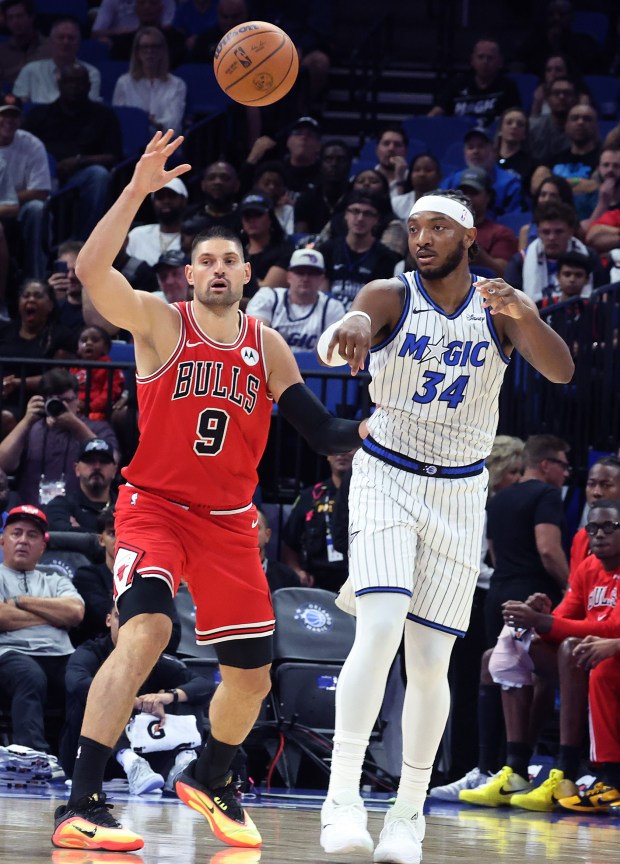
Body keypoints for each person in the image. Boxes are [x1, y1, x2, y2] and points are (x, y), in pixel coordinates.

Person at [50, 130, 364, 853]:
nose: (218, 269)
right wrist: (135, 189)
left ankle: (215, 778)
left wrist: (380, 427)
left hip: (227, 526)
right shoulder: (162, 325)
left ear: (250, 273)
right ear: (188, 275)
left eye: (230, 259)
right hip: (154, 509)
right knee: (149, 630)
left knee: (250, 680)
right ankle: (82, 802)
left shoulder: (267, 344)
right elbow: (94, 272)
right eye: (205, 261)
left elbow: (321, 432)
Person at [316, 188, 573, 863]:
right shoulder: (391, 292)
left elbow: (562, 369)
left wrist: (527, 313)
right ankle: (341, 797)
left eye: (437, 228)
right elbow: (356, 321)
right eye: (414, 228)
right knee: (379, 623)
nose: (422, 238)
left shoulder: (498, 306)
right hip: (385, 478)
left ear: (466, 237)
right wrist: (347, 329)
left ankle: (408, 815)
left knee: (431, 661)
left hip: (460, 494)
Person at [462, 499, 620, 811]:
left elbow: (613, 625)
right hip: (593, 652)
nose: (599, 534)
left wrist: (546, 623)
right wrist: (542, 616)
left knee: (574, 649)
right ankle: (513, 769)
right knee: (504, 653)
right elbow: (565, 615)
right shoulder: (588, 568)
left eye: (609, 528)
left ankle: (571, 772)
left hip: (610, 653)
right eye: (592, 528)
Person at [61, 602, 210, 794]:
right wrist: (135, 702)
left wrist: (166, 697)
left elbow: (204, 683)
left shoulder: (153, 657)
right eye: (120, 617)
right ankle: (130, 762)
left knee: (185, 697)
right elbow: (76, 682)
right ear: (108, 620)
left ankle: (182, 765)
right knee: (98, 697)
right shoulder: (89, 652)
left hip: (146, 750)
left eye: (132, 620)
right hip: (89, 755)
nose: (125, 626)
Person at [0, 504, 84, 750]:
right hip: (9, 653)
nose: (23, 540)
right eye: (16, 533)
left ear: (42, 547)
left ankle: (78, 760)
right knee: (29, 675)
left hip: (60, 653)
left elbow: (75, 613)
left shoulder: (56, 579)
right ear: (3, 541)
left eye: (32, 535)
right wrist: (52, 615)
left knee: (85, 682)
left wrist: (21, 602)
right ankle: (33, 757)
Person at [21, 63, 123, 241]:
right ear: (60, 84)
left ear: (89, 86)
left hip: (81, 175)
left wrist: (78, 161)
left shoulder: (103, 115)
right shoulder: (39, 114)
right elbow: (23, 148)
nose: (74, 86)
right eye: (69, 81)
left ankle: (83, 242)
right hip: (43, 176)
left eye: (80, 82)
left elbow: (113, 156)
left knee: (99, 175)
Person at [0, 368, 119, 507]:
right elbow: (3, 465)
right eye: (56, 401)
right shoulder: (31, 427)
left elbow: (114, 460)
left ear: (77, 399)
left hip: (77, 515)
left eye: (68, 400)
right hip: (31, 512)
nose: (63, 406)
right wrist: (26, 421)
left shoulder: (98, 428)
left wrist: (76, 426)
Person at [281, 449, 357, 591]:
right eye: (337, 447)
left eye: (349, 448)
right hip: (315, 586)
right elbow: (289, 544)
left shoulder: (370, 497)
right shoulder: (310, 496)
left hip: (356, 584)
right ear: (327, 455)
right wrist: (298, 572)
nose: (342, 453)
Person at [245, 248, 346, 353]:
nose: (305, 278)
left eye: (312, 273)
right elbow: (256, 338)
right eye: (300, 272)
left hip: (314, 369)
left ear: (321, 279)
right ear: (289, 276)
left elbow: (330, 352)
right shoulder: (267, 297)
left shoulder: (333, 307)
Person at [315, 190, 400, 311]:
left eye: (367, 214)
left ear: (376, 219)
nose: (360, 218)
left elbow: (378, 301)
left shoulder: (385, 257)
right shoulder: (328, 249)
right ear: (346, 215)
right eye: (355, 211)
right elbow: (320, 296)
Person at [504, 201, 605, 302]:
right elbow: (511, 302)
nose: (552, 237)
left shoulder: (590, 257)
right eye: (546, 232)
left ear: (571, 231)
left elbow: (602, 296)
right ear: (538, 232)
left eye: (558, 232)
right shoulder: (520, 261)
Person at [0, 92, 51, 281]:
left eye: (14, 115)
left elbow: (40, 191)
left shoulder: (32, 145)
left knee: (37, 209)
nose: (8, 120)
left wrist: (6, 201)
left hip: (20, 208)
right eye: (3, 115)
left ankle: (34, 279)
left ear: (21, 119)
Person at [428, 37, 521, 128]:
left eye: (490, 58)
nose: (485, 62)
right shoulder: (457, 84)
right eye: (480, 57)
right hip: (457, 137)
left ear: (500, 62)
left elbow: (514, 119)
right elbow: (437, 112)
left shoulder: (508, 87)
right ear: (472, 60)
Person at [530, 103, 602, 222]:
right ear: (566, 125)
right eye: (575, 118)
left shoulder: (604, 159)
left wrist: (554, 185)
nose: (580, 122)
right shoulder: (554, 158)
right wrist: (579, 183)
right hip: (549, 221)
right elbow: (537, 187)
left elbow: (596, 187)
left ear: (596, 125)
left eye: (587, 119)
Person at [112, 26, 187, 135]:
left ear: (162, 51)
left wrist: (154, 124)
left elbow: (174, 124)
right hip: (133, 142)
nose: (149, 51)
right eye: (144, 47)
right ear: (137, 52)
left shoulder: (177, 84)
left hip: (164, 144)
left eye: (154, 47)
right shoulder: (124, 83)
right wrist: (144, 122)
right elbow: (119, 119)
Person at [13, 17, 101, 103]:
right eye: (60, 37)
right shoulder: (31, 70)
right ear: (51, 42)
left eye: (71, 38)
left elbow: (89, 108)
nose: (66, 42)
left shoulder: (91, 73)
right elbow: (19, 105)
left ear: (78, 44)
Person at [441, 127, 523, 218]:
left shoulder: (510, 183)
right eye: (471, 147)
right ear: (465, 153)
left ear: (494, 150)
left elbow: (514, 219)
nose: (475, 151)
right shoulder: (452, 181)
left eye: (481, 146)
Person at [45, 438, 118, 533]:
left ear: (114, 471)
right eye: (90, 461)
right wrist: (111, 538)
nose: (97, 467)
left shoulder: (127, 508)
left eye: (104, 461)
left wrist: (78, 533)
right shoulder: (59, 506)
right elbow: (62, 538)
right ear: (77, 469)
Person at [457, 166, 519, 277]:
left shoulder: (501, 233)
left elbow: (505, 274)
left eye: (474, 192)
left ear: (488, 196)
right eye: (464, 192)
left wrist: (478, 255)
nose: (468, 197)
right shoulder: (447, 229)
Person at [294, 139, 352, 235]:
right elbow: (301, 238)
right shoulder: (305, 200)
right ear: (320, 164)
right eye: (328, 159)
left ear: (349, 164)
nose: (334, 164)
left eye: (340, 159)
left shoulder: (358, 198)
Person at [126, 175, 188, 266]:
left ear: (183, 200)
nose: (166, 201)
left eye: (172, 196)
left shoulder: (194, 239)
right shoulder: (137, 235)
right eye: (160, 197)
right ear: (153, 202)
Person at [69, 326, 126, 420]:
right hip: (74, 408)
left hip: (98, 412)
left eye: (95, 340)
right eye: (83, 340)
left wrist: (89, 407)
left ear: (106, 348)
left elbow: (109, 393)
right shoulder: (74, 367)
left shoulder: (111, 368)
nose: (88, 343)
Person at [0, 0, 51, 88]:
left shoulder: (50, 47)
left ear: (31, 17)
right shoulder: (2, 52)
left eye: (19, 16)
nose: (15, 21)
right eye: (10, 18)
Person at [256, 507, 300, 593]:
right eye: (244, 528)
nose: (249, 532)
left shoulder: (286, 577)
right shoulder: (226, 573)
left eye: (256, 527)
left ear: (267, 535)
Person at [495, 107, 539, 193]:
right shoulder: (488, 159)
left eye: (520, 124)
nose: (514, 126)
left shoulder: (532, 165)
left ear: (525, 134)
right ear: (500, 130)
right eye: (509, 123)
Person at [390, 153, 442, 223]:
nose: (422, 174)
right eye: (417, 170)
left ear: (439, 176)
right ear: (410, 175)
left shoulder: (449, 203)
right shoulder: (396, 203)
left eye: (428, 170)